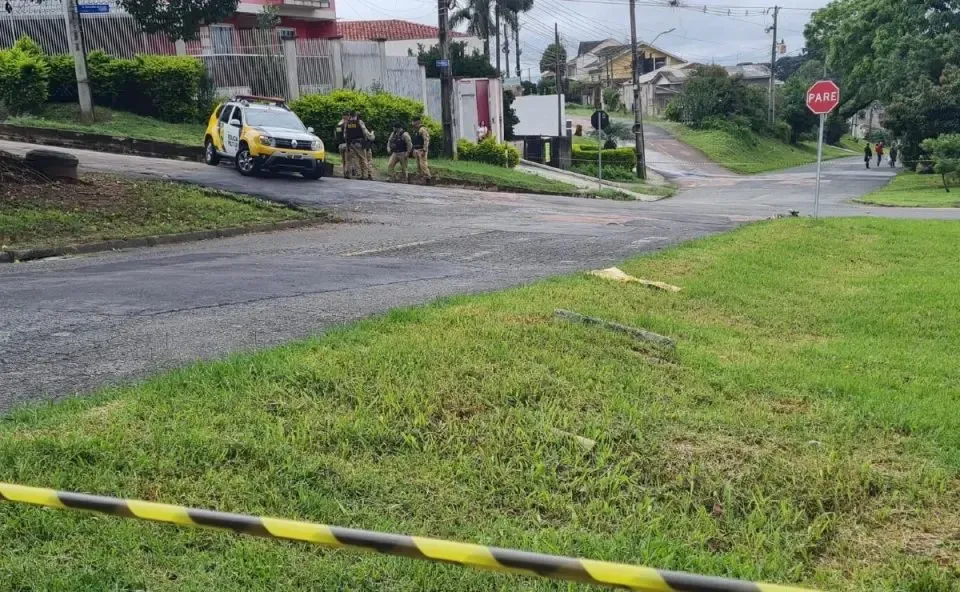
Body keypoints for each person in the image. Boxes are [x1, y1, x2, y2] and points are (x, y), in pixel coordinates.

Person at [343, 111, 373, 180]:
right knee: (363, 159)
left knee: (353, 160)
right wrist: (371, 137)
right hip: (359, 143)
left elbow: (345, 135)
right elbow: (365, 132)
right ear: (356, 115)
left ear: (350, 115)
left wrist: (348, 144)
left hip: (351, 144)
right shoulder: (359, 122)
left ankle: (354, 174)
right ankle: (364, 175)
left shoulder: (347, 123)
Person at [411, 116, 431, 183]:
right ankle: (421, 177)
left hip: (421, 150)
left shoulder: (422, 129)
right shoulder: (416, 130)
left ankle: (427, 177)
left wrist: (424, 150)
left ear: (417, 121)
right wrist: (413, 149)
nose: (412, 123)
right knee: (418, 165)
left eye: (413, 121)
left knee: (423, 165)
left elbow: (426, 140)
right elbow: (415, 141)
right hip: (417, 149)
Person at [334, 110, 349, 177]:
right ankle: (346, 174)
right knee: (347, 160)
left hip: (340, 145)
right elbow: (345, 135)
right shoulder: (346, 124)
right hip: (346, 144)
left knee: (343, 161)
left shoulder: (338, 124)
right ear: (347, 116)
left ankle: (344, 172)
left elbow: (336, 134)